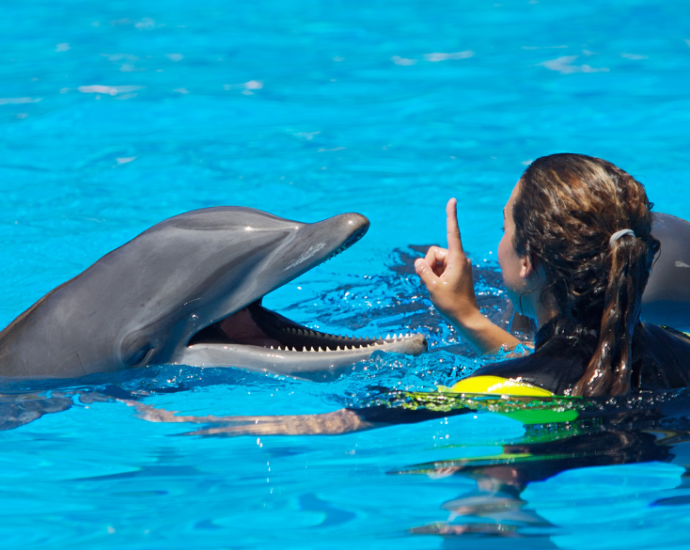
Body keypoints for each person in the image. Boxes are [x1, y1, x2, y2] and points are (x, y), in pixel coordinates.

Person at [415, 153, 690, 397]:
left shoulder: (489, 389)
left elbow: (551, 370)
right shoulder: (681, 353)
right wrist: (467, 317)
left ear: (528, 259)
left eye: (504, 229)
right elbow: (581, 360)